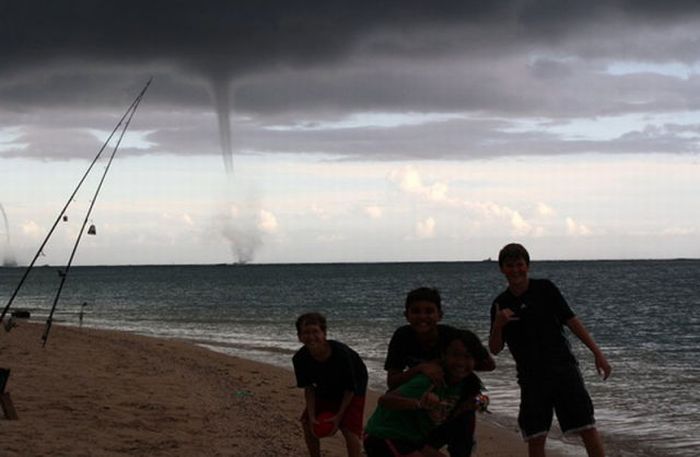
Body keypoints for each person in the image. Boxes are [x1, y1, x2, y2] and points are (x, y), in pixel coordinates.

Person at [488, 243, 612, 457]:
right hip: (531, 378)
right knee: (535, 435)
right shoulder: (501, 303)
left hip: (563, 370)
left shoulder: (545, 289)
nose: (516, 270)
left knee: (587, 428)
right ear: (502, 269)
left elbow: (571, 321)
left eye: (520, 265)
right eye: (510, 266)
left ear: (528, 266)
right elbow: (495, 349)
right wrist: (499, 324)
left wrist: (597, 353)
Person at [384, 287, 495, 457]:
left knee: (461, 444)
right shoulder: (402, 336)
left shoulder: (451, 336)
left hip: (458, 400)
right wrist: (421, 368)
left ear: (439, 315)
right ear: (406, 315)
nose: (422, 317)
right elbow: (392, 382)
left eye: (429, 311)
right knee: (418, 445)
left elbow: (489, 364)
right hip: (423, 399)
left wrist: (451, 364)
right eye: (416, 311)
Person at [365, 329, 487, 457]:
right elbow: (384, 400)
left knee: (465, 419)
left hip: (415, 440)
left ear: (475, 360)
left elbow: (481, 401)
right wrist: (419, 403)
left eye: (468, 356)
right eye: (455, 355)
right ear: (443, 355)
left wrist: (477, 403)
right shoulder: (430, 380)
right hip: (384, 436)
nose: (461, 362)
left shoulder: (466, 384)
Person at [292, 312, 368, 457]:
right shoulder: (300, 358)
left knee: (349, 428)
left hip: (353, 386)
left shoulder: (341, 354)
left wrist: (339, 417)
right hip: (325, 383)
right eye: (306, 332)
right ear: (299, 337)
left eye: (315, 331)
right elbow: (309, 389)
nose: (311, 336)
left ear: (324, 333)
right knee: (307, 423)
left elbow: (350, 389)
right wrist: (312, 416)